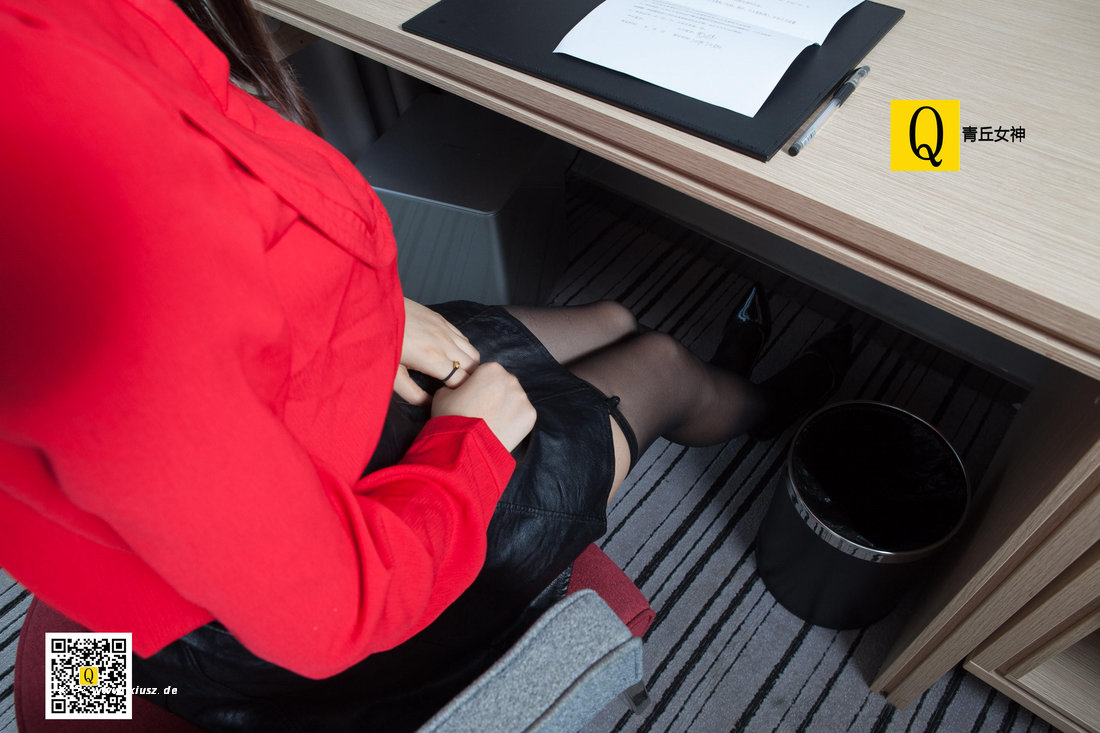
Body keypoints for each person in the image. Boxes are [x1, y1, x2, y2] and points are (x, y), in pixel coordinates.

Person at [0, 0, 850, 729]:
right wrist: (466, 443)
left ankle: (724, 391)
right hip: (307, 589)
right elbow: (330, 611)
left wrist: (360, 301)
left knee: (611, 321)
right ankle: (762, 410)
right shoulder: (65, 213)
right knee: (658, 362)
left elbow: (223, 238)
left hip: (308, 406)